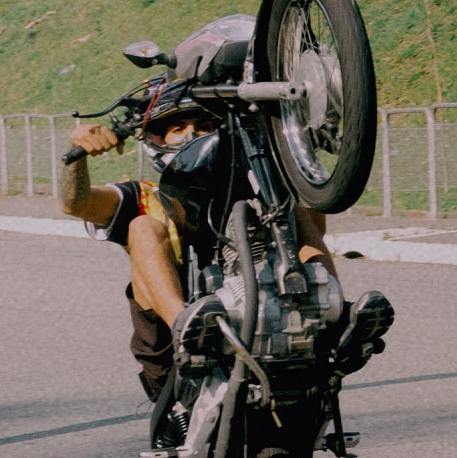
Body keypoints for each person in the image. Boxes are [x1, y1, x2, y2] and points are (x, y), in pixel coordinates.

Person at [61, 78, 391, 404]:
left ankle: (336, 318)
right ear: (158, 138)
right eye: (178, 127)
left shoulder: (257, 192)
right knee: (143, 228)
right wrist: (76, 156)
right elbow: (77, 203)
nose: (191, 134)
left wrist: (299, 140)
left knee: (294, 209)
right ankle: (188, 327)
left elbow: (314, 219)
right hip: (177, 361)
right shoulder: (143, 196)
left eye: (204, 124)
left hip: (280, 334)